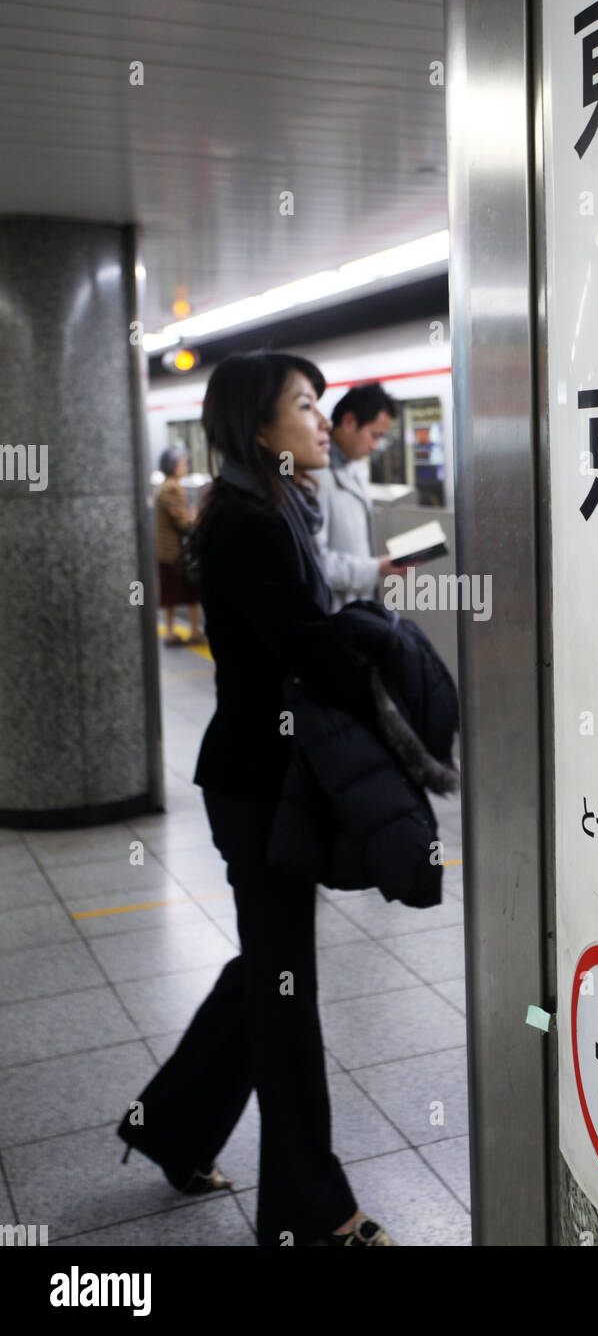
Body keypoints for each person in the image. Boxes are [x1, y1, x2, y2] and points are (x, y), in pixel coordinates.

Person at [118, 352, 394, 1247]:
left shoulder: (273, 509)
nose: (323, 421)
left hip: (269, 784)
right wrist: (391, 670)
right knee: (285, 997)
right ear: (258, 427)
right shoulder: (245, 523)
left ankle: (168, 1125)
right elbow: (307, 647)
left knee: (265, 973)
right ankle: (316, 1215)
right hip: (257, 789)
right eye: (306, 405)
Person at [312, 382, 409, 611]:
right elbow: (316, 562)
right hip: (334, 612)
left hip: (358, 608)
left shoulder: (355, 467)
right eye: (374, 435)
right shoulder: (315, 476)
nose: (375, 446)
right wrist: (376, 569)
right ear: (348, 422)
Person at [154, 445, 205, 645]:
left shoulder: (166, 486)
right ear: (172, 465)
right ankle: (189, 631)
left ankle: (173, 631)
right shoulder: (172, 488)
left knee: (172, 593)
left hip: (168, 551)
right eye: (182, 463)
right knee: (187, 591)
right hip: (174, 552)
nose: (186, 466)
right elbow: (183, 523)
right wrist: (194, 517)